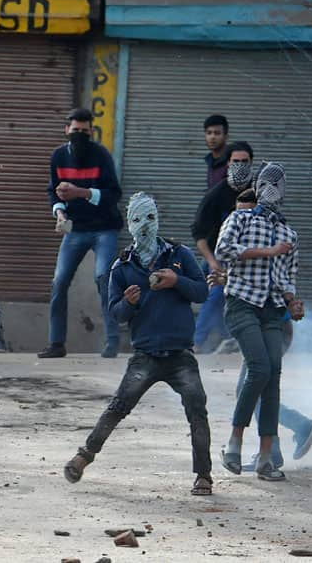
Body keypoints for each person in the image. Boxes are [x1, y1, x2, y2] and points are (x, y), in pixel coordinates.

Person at [62, 192, 213, 495]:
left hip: (180, 353)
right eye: (137, 219)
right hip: (146, 354)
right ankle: (84, 456)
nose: (144, 225)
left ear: (158, 220)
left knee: (197, 410)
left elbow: (201, 292)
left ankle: (203, 475)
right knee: (118, 407)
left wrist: (176, 281)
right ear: (128, 224)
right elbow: (116, 314)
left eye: (150, 218)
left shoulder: (179, 255)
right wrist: (129, 303)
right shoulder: (122, 267)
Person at [215, 162, 304, 483]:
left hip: (271, 310)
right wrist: (268, 251)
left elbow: (287, 276)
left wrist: (293, 302)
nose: (272, 191)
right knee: (260, 367)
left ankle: (267, 457)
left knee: (273, 374)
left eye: (278, 185)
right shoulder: (239, 218)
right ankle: (234, 445)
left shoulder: (288, 232)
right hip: (241, 304)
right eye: (267, 183)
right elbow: (222, 251)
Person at [39, 108, 123, 359]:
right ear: (67, 131)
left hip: (104, 228)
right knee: (59, 281)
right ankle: (56, 343)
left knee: (103, 278)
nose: (79, 135)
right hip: (75, 229)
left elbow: (114, 194)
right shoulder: (58, 156)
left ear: (91, 132)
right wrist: (60, 212)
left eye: (84, 131)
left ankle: (112, 341)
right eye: (75, 131)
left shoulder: (101, 155)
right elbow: (54, 191)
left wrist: (81, 192)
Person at [191, 141, 255, 355]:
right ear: (228, 164)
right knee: (216, 294)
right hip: (220, 258)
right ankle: (196, 343)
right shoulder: (215, 195)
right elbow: (199, 234)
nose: (240, 166)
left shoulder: (261, 193)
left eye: (244, 162)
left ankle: (237, 340)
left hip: (253, 259)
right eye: (236, 161)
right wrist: (213, 263)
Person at [203, 115, 230, 189]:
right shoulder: (210, 161)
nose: (212, 137)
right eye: (209, 133)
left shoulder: (232, 162)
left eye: (217, 133)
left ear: (226, 137)